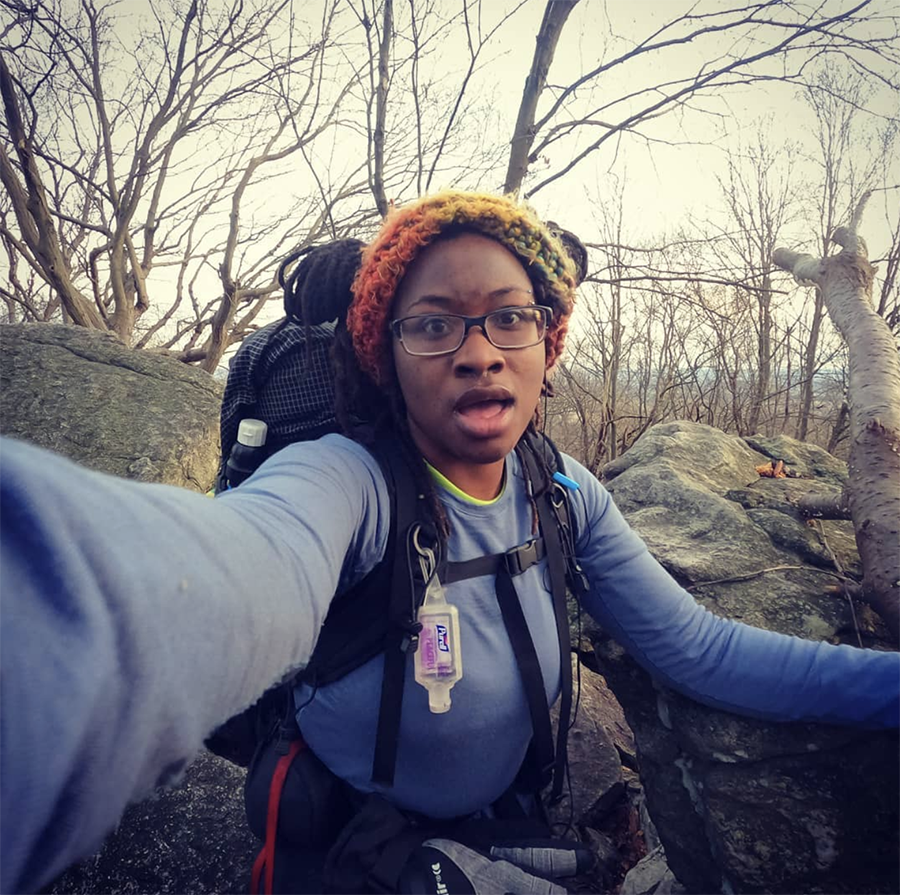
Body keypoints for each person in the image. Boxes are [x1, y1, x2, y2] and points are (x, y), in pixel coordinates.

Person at [1, 190, 899, 895]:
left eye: (509, 317)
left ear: (548, 342)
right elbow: (216, 577)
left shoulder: (562, 490)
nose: (479, 352)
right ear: (385, 354)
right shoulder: (347, 483)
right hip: (357, 840)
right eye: (433, 324)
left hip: (508, 821)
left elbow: (700, 647)